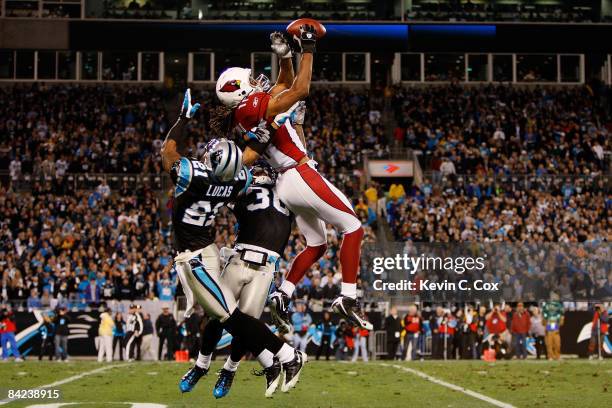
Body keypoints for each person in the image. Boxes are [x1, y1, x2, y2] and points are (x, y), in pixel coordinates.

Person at [212, 27, 371, 331]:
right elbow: (299, 90)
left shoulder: (247, 109)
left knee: (318, 244)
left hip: (289, 180)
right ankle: (347, 297)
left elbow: (284, 82)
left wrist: (285, 56)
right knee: (354, 227)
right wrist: (308, 48)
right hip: (297, 173)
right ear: (240, 91)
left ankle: (283, 294)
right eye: (250, 81)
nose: (257, 81)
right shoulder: (249, 107)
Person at [161, 90, 305, 398]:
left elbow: (168, 151)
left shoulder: (190, 174)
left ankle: (282, 355)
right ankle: (213, 365)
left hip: (194, 256)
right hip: (210, 250)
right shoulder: (237, 181)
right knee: (223, 314)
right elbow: (249, 156)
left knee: (228, 315)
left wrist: (183, 119)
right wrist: (268, 127)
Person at [193, 160, 295, 399]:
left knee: (245, 327)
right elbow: (219, 194)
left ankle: (229, 370)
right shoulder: (246, 189)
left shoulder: (287, 193)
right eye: (255, 171)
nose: (258, 175)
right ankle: (201, 364)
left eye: (261, 171)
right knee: (217, 315)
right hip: (239, 259)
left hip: (265, 267)